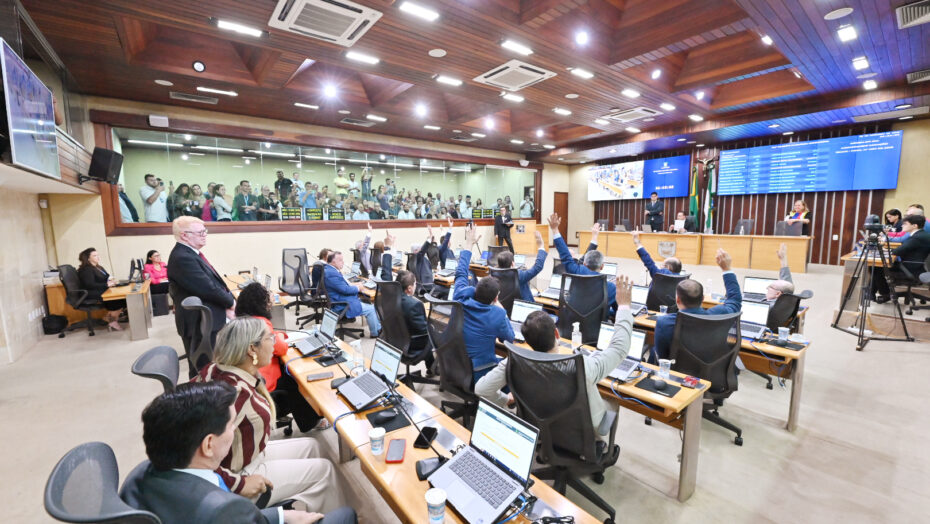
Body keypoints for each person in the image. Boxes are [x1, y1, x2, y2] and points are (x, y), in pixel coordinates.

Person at [120, 381, 356, 524]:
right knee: (345, 516)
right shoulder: (223, 509)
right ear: (208, 444)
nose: (234, 431)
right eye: (232, 425)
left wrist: (281, 517)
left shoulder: (140, 475)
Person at [194, 318, 345, 511]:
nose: (274, 342)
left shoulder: (217, 369)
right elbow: (195, 455)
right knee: (325, 471)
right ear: (251, 349)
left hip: (248, 455)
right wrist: (238, 484)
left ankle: (323, 511)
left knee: (313, 445)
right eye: (270, 338)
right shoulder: (234, 393)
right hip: (237, 473)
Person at [476, 277, 634, 434]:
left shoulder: (513, 361)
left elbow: (481, 389)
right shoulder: (583, 366)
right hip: (578, 434)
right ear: (556, 333)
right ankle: (599, 443)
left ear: (527, 340)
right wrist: (624, 307)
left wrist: (506, 400)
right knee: (611, 402)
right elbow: (619, 348)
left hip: (537, 428)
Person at [235, 283, 324, 432]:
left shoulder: (244, 321)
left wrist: (276, 335)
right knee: (296, 377)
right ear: (261, 303)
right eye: (268, 295)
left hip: (251, 380)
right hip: (265, 385)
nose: (272, 298)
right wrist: (279, 335)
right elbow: (281, 348)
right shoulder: (261, 324)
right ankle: (309, 422)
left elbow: (273, 342)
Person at [653, 249, 742, 361]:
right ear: (703, 299)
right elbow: (735, 300)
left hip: (677, 375)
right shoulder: (720, 314)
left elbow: (662, 357)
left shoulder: (665, 322)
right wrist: (726, 269)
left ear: (678, 300)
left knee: (653, 352)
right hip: (712, 374)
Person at [453, 223, 514, 383]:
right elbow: (509, 338)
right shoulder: (497, 314)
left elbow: (461, 272)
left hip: (456, 365)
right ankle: (506, 399)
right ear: (495, 298)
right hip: (480, 371)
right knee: (515, 366)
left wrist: (468, 243)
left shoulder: (460, 298)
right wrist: (502, 309)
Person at [167, 217, 236, 356]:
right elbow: (208, 288)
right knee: (202, 369)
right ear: (185, 236)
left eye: (205, 231)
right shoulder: (182, 258)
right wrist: (232, 303)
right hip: (198, 322)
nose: (205, 235)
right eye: (200, 233)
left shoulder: (190, 253)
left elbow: (211, 283)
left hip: (204, 318)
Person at [548, 214, 617, 310]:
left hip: (571, 321)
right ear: (602, 267)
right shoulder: (610, 287)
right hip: (596, 324)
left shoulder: (576, 271)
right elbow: (617, 311)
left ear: (584, 264)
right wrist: (595, 237)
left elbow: (565, 255)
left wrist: (555, 230)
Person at [873, 214, 930, 302]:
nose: (902, 225)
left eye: (905, 224)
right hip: (919, 267)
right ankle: (878, 294)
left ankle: (886, 294)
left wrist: (885, 250)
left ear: (915, 226)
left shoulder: (916, 238)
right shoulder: (923, 234)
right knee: (880, 266)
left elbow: (897, 251)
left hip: (911, 269)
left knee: (877, 268)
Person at [322, 251, 381, 337]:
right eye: (340, 260)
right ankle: (375, 333)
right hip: (342, 304)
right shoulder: (332, 274)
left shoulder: (329, 270)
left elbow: (341, 286)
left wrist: (355, 285)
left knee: (366, 301)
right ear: (333, 262)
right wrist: (358, 288)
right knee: (371, 308)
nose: (343, 262)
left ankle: (378, 327)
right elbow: (345, 290)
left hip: (338, 299)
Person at [77, 247, 126, 331]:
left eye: (98, 255)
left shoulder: (98, 267)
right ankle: (112, 321)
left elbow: (107, 276)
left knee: (122, 298)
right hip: (92, 293)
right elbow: (90, 284)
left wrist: (111, 280)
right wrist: (106, 284)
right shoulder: (86, 270)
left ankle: (108, 318)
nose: (98, 257)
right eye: (95, 255)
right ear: (88, 258)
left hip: (102, 289)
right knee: (118, 300)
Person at [395, 270, 435, 371]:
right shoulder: (414, 305)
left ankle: (431, 366)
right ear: (409, 288)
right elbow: (424, 331)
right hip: (410, 345)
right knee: (437, 335)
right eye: (415, 284)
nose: (415, 286)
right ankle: (434, 368)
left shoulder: (390, 299)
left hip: (395, 341)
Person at [495, 232, 547, 302]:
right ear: (513, 264)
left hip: (506, 307)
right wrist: (541, 246)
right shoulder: (518, 275)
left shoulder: (494, 274)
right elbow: (538, 267)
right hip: (523, 306)